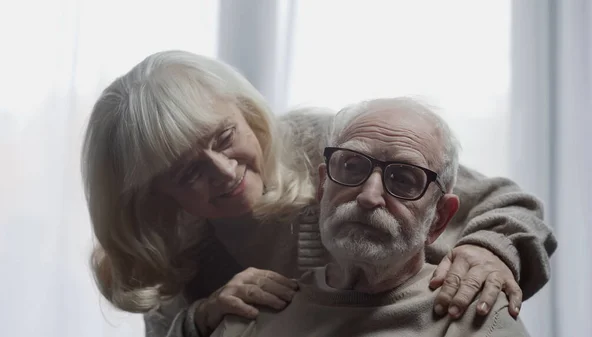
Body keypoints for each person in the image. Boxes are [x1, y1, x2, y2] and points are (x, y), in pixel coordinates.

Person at [80, 50, 556, 337]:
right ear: (155, 196)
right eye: (187, 173)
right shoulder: (165, 247)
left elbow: (507, 203)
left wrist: (489, 247)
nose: (224, 172)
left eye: (224, 137)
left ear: (247, 113)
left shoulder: (329, 147)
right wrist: (203, 317)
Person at [211, 98, 530, 337]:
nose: (368, 196)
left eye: (403, 179)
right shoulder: (251, 315)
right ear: (323, 187)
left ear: (438, 218)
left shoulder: (478, 319)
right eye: (351, 167)